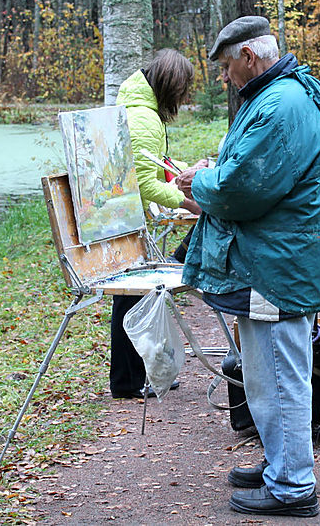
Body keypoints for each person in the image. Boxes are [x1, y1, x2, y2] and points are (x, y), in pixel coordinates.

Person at [174, 16, 320, 517]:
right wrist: (212, 174)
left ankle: (294, 485)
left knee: (278, 376)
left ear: (250, 58)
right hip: (278, 261)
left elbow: (243, 189)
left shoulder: (279, 106)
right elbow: (253, 175)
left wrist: (199, 184)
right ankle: (282, 462)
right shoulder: (282, 95)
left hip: (277, 268)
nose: (226, 76)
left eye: (228, 65)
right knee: (265, 373)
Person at [109, 48, 201, 399]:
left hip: (120, 214)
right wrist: (188, 200)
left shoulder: (137, 105)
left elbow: (151, 162)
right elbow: (145, 183)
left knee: (131, 295)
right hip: (124, 215)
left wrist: (181, 171)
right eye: (181, 92)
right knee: (131, 296)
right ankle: (128, 381)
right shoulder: (144, 118)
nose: (182, 99)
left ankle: (130, 379)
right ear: (170, 86)